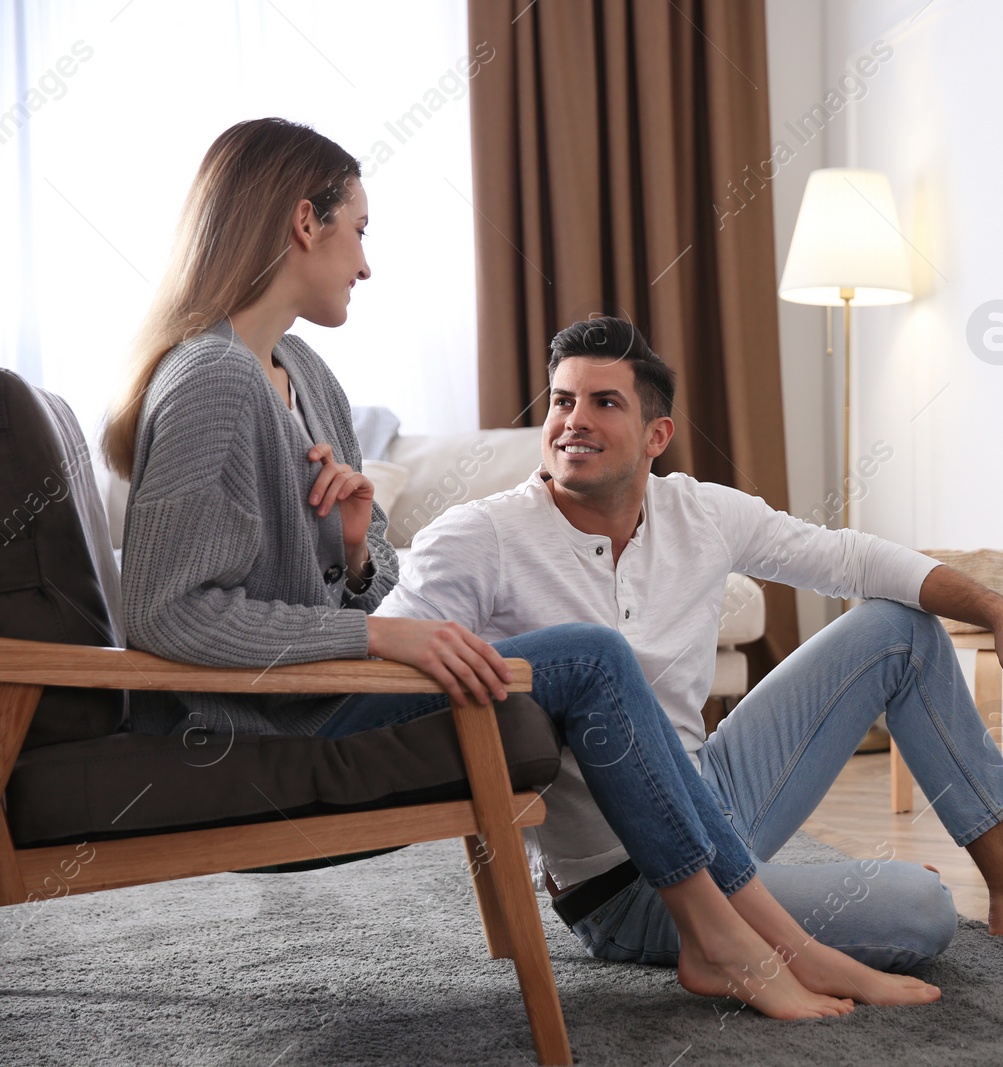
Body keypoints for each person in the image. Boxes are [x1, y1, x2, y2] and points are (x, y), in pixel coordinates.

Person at [105, 118, 940, 1019]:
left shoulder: (300, 369)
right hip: (269, 732)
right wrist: (372, 628)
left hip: (328, 687)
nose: (365, 262)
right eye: (360, 229)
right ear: (304, 222)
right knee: (588, 652)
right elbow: (165, 612)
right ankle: (745, 941)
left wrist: (353, 555)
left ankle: (754, 940)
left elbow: (371, 588)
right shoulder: (210, 382)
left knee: (588, 655)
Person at [378, 316, 1003, 972]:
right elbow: (389, 655)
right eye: (561, 400)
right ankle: (821, 894)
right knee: (921, 911)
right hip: (628, 880)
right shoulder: (479, 535)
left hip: (712, 790)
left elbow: (851, 558)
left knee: (898, 627)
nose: (572, 420)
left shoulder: (699, 512)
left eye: (602, 401)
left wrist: (997, 608)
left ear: (657, 434)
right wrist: (353, 557)